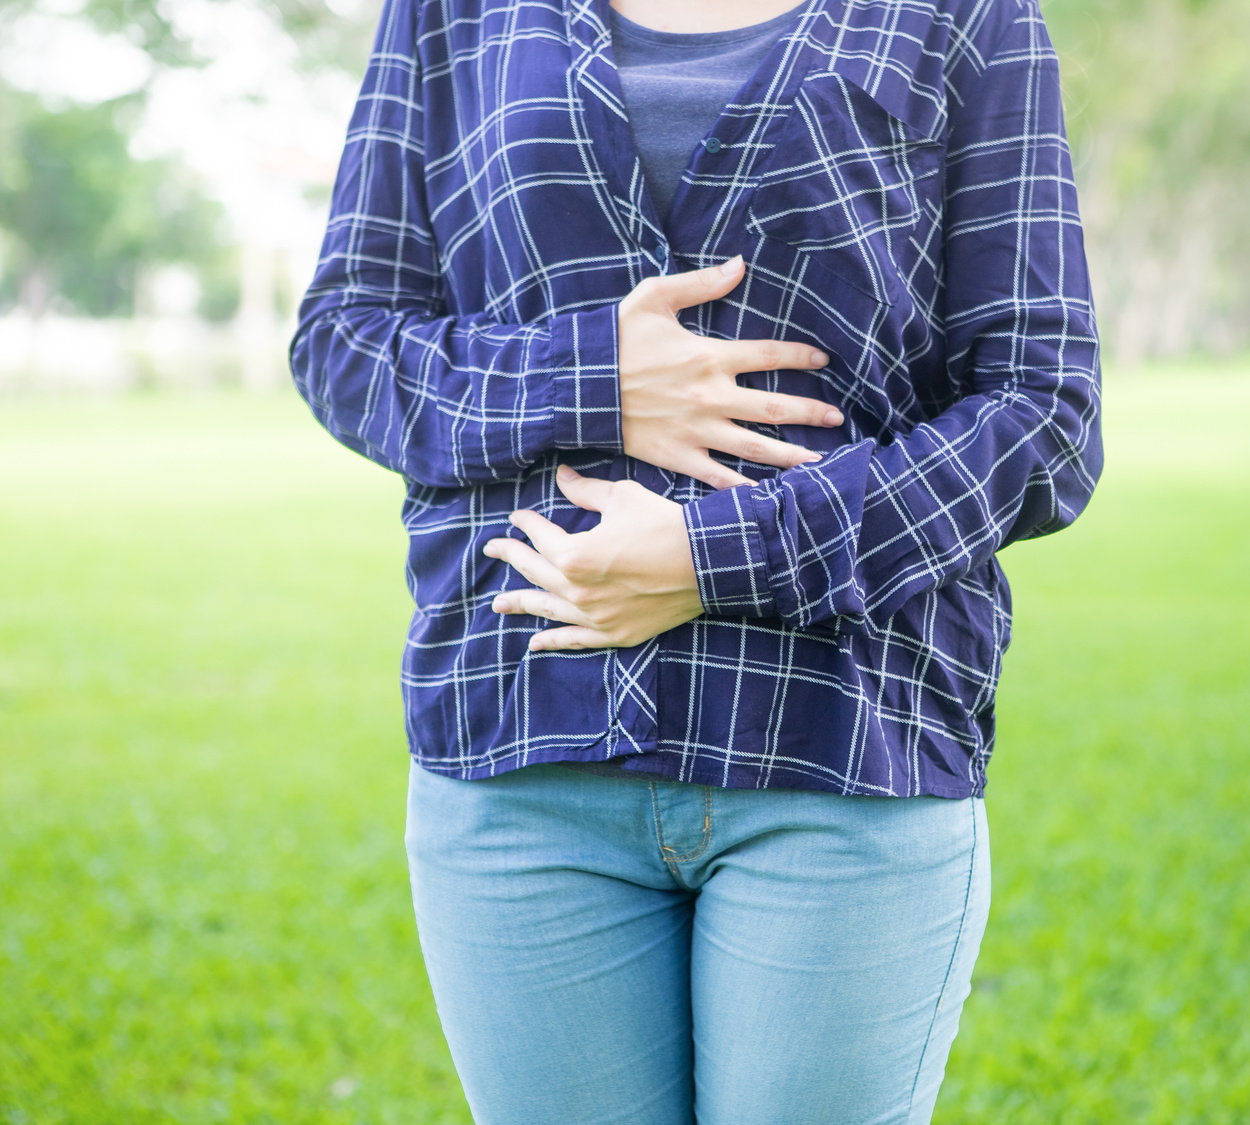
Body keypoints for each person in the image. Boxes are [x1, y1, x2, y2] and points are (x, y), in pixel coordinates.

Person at [290, 0, 1101, 1117]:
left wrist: (715, 554)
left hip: (839, 741)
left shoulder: (961, 15)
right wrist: (595, 378)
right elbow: (344, 337)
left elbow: (1041, 414)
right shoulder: (451, 12)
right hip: (524, 746)